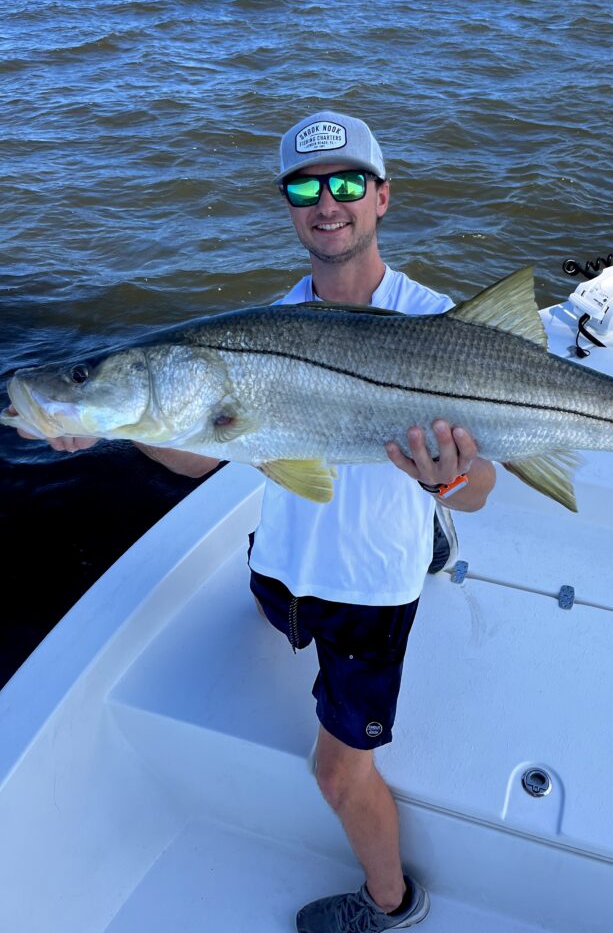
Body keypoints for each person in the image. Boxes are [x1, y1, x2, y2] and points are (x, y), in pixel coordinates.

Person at [17, 110, 497, 932]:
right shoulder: (259, 328)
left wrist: (447, 481)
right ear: (289, 206)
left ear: (382, 197)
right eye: (305, 187)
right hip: (283, 562)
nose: (326, 202)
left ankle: (391, 902)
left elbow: (483, 485)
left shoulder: (444, 329)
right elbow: (199, 454)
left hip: (371, 589)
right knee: (274, 604)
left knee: (339, 775)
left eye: (347, 183)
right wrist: (108, 421)